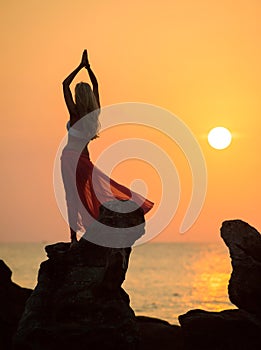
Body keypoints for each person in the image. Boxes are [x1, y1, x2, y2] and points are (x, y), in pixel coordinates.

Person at [61, 50, 154, 245]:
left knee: (72, 196)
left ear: (78, 96)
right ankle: (99, 225)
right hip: (84, 161)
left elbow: (64, 85)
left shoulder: (75, 114)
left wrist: (80, 66)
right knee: (92, 191)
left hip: (70, 159)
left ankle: (73, 238)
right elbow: (96, 85)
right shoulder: (93, 115)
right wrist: (89, 68)